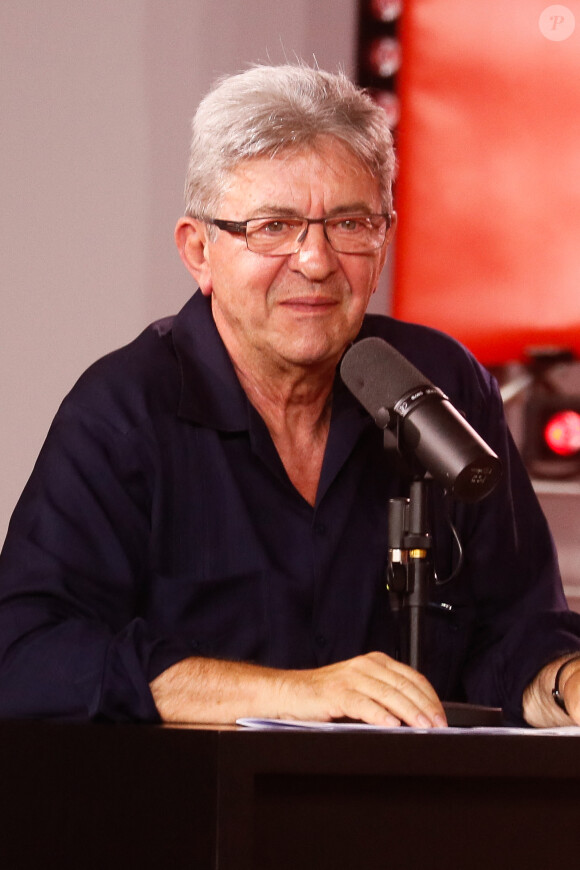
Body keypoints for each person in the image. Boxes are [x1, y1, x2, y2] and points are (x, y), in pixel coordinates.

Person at [1, 64, 580, 728]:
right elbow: (25, 655)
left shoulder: (441, 385)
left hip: (411, 821)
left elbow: (517, 631)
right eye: (273, 227)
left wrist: (562, 681)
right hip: (192, 822)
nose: (315, 260)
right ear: (199, 251)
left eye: (349, 223)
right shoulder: (126, 410)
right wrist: (288, 693)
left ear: (384, 238)